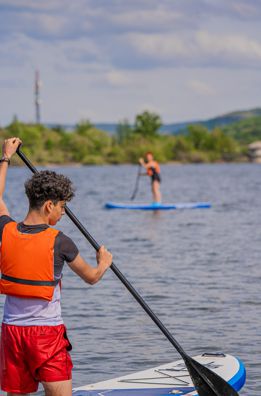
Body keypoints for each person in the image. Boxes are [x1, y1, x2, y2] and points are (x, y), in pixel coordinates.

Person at [0, 137, 113, 396]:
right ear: (49, 205)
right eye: (62, 207)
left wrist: (6, 156)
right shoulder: (61, 242)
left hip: (12, 334)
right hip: (45, 336)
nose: (62, 213)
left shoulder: (6, 230)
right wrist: (103, 263)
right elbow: (92, 278)